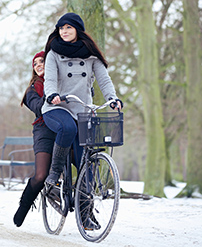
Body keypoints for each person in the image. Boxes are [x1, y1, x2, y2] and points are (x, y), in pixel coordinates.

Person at [41, 12, 123, 229]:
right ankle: (54, 174)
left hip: (83, 110)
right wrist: (51, 94)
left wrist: (112, 99)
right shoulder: (53, 54)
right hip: (56, 108)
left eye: (68, 28)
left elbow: (105, 80)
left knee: (88, 164)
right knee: (67, 128)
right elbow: (49, 79)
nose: (64, 32)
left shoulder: (91, 56)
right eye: (61, 28)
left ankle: (85, 214)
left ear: (78, 29)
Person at [13, 51, 57, 227]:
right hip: (44, 129)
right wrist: (50, 96)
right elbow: (37, 107)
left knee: (83, 162)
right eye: (35, 63)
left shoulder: (63, 81)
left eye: (42, 61)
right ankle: (23, 206)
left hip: (66, 125)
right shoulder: (34, 88)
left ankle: (86, 210)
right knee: (40, 175)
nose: (38, 65)